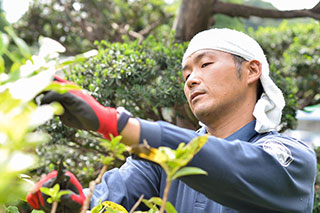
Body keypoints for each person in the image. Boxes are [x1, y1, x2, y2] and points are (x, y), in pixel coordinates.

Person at [27, 28, 317, 212]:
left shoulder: (291, 159)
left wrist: (114, 123)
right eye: (186, 73)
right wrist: (73, 202)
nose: (191, 79)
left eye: (205, 64)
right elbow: (108, 200)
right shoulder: (160, 162)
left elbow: (231, 165)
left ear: (252, 71)